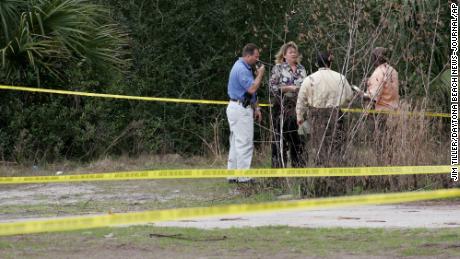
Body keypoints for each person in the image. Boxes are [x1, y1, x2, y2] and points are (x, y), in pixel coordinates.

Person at [296, 51, 353, 165]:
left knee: (319, 146)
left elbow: (301, 100)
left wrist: (299, 116)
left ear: (317, 64)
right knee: (336, 145)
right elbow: (349, 97)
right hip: (336, 114)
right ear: (330, 63)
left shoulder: (309, 79)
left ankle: (321, 176)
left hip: (317, 116)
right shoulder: (340, 77)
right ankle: (336, 173)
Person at [226, 43, 265, 183]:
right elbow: (252, 89)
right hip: (240, 109)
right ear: (247, 56)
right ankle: (244, 177)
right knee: (245, 142)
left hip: (237, 106)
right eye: (256, 56)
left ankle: (233, 175)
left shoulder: (244, 67)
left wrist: (257, 108)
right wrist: (260, 74)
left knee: (236, 142)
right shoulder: (241, 69)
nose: (258, 59)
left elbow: (250, 94)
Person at [269, 41, 307, 168]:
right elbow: (272, 87)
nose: (294, 54)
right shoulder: (278, 68)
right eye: (291, 52)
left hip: (299, 108)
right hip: (282, 107)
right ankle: (278, 169)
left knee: (299, 140)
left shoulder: (302, 69)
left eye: (295, 52)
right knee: (279, 139)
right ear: (284, 55)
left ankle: (299, 168)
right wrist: (288, 88)